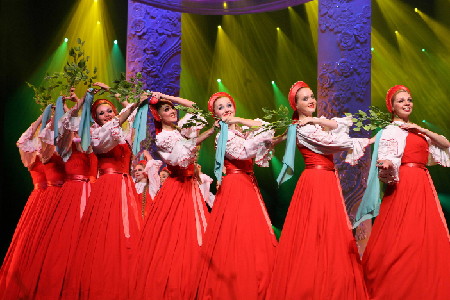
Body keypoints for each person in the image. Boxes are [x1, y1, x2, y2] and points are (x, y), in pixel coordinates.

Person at [266, 81, 370, 300]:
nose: (311, 100)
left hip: (326, 179)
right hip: (317, 180)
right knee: (315, 232)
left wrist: (315, 118)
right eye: (304, 99)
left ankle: (330, 282)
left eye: (311, 96)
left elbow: (335, 126)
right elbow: (331, 144)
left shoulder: (311, 124)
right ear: (296, 105)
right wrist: (365, 141)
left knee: (330, 232)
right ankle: (312, 286)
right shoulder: (304, 129)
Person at [360, 85, 450, 299]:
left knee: (424, 236)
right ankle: (398, 284)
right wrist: (386, 165)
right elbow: (388, 157)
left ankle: (425, 284)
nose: (407, 103)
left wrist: (421, 129)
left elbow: (446, 144)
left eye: (409, 99)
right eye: (401, 101)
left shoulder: (418, 131)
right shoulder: (390, 131)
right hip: (405, 183)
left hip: (423, 184)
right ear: (392, 107)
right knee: (403, 237)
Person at [62, 85, 145, 299]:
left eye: (109, 110)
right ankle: (105, 278)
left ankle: (130, 274)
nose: (107, 115)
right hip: (108, 185)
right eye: (101, 113)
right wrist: (83, 101)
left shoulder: (122, 133)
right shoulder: (97, 135)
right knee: (107, 231)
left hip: (125, 186)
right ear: (96, 119)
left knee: (128, 230)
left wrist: (112, 90)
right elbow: (125, 115)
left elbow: (133, 114)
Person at [130, 92, 216, 300]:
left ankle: (199, 277)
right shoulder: (163, 138)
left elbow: (195, 106)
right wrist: (210, 131)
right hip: (178, 187)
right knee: (178, 236)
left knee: (197, 231)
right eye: (166, 110)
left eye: (172, 109)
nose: (172, 111)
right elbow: (184, 154)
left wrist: (167, 98)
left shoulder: (181, 129)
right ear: (158, 116)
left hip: (190, 185)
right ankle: (179, 280)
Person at [195, 92, 277, 300]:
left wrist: (239, 120)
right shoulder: (224, 135)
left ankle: (258, 279)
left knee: (253, 234)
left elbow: (266, 127)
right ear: (215, 115)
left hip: (247, 183)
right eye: (220, 108)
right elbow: (243, 153)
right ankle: (240, 283)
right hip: (236, 185)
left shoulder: (239, 131)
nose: (226, 110)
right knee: (238, 234)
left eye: (229, 105)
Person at [0, 113, 47, 297]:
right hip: (39, 199)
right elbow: (22, 140)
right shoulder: (32, 150)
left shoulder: (53, 148)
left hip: (52, 195)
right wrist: (40, 119)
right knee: (32, 241)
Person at [133, 149, 162, 219]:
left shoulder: (152, 186)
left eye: (140, 170)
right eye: (135, 170)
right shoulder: (132, 185)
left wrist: (148, 156)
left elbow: (153, 169)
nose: (137, 172)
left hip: (146, 219)